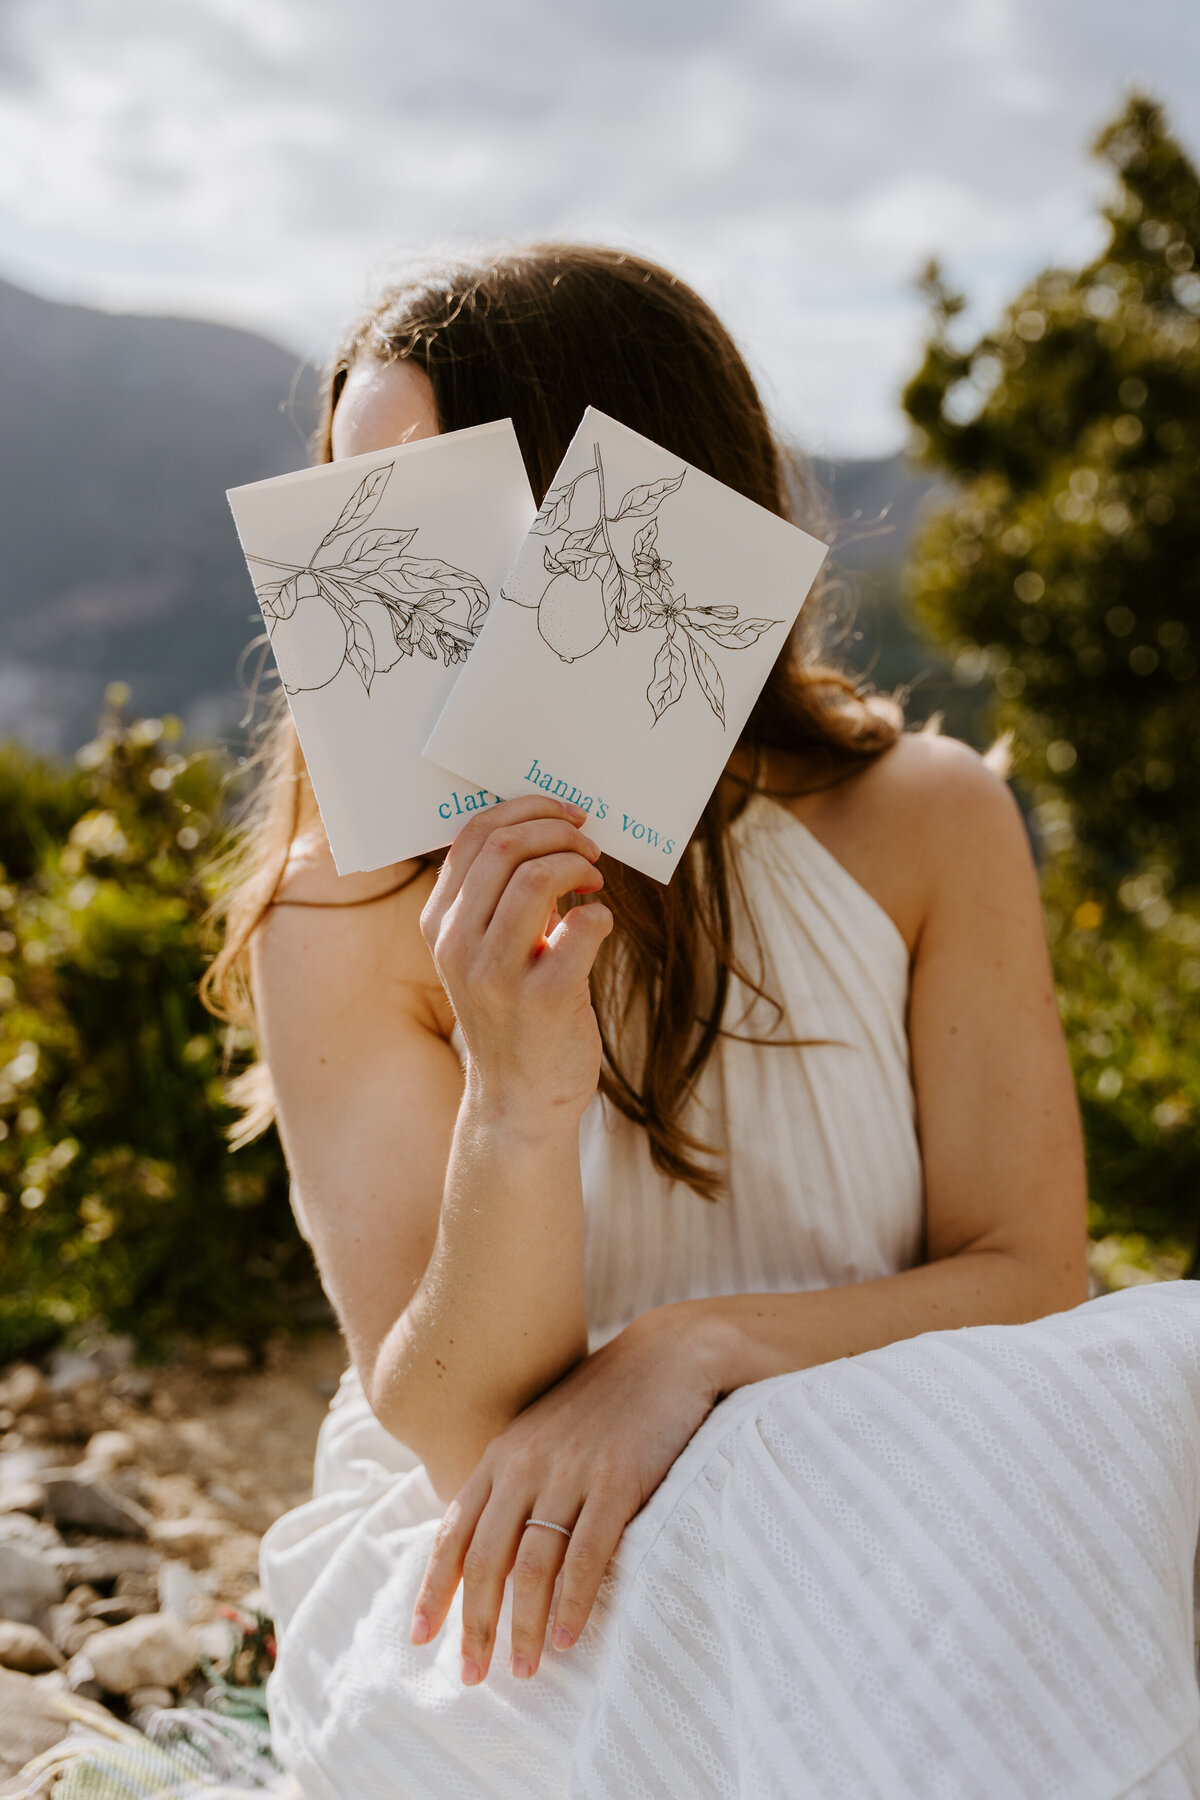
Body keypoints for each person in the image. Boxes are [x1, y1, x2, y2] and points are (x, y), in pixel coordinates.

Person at [205, 245, 1200, 1799]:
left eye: (426, 492)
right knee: (771, 1551)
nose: (375, 561)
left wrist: (699, 1352)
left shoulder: (927, 815)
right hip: (544, 1561)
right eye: (350, 497)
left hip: (918, 1462)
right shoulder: (338, 912)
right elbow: (465, 1431)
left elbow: (1033, 1273)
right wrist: (520, 1098)